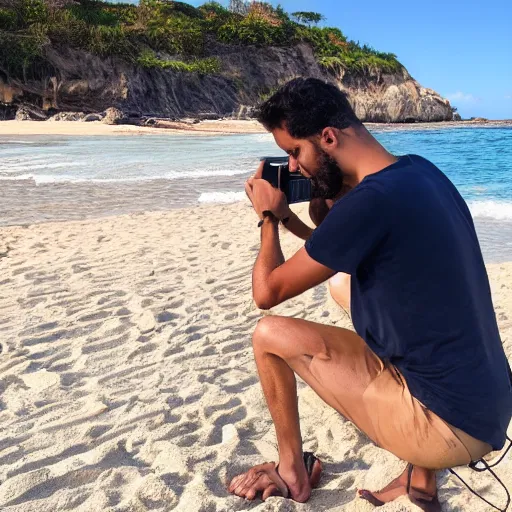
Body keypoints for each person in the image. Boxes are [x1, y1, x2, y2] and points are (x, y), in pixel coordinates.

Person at [227, 77, 512, 511]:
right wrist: (289, 218)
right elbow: (339, 252)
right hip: (488, 404)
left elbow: (267, 292)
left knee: (268, 335)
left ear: (328, 137)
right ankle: (421, 484)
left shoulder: (370, 203)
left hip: (447, 426)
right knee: (347, 289)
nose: (296, 167)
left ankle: (292, 473)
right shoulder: (418, 171)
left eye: (295, 152)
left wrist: (266, 216)